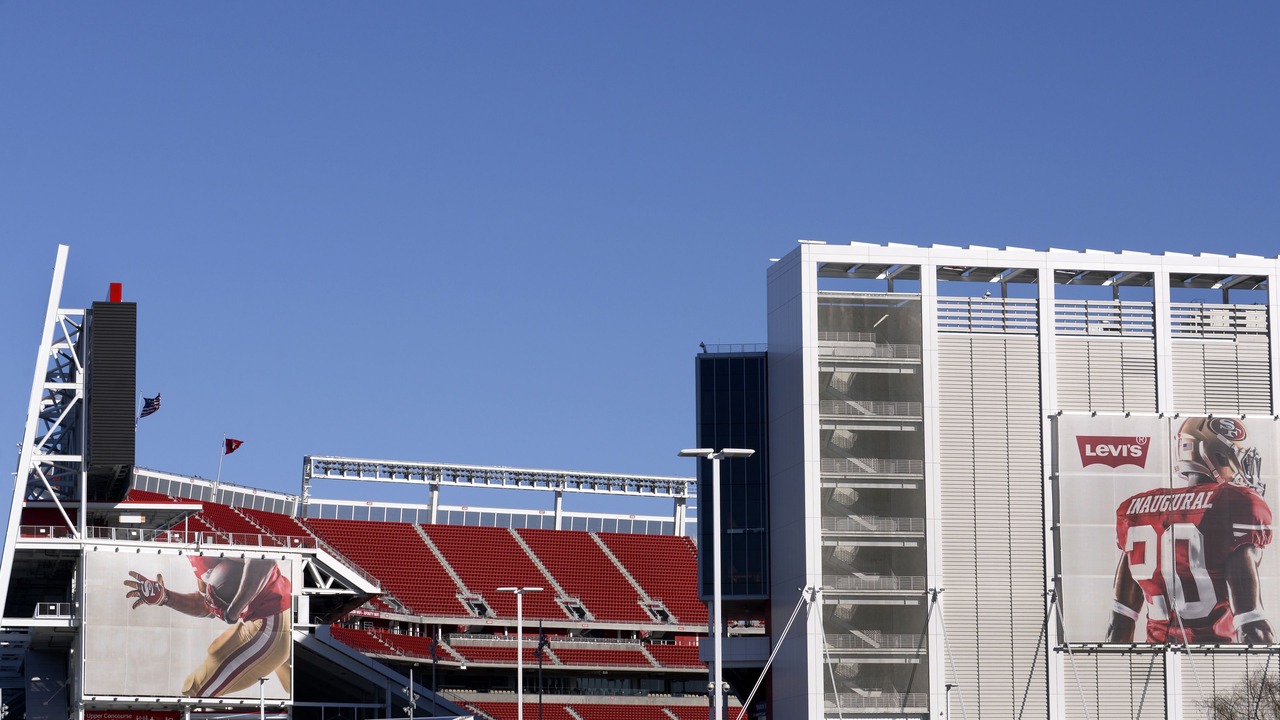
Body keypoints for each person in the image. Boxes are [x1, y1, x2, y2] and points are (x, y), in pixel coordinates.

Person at [1107, 416, 1273, 644]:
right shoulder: (1234, 503)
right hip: (1216, 657)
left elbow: (1119, 623)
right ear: (1219, 456)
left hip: (1159, 659)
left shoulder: (1136, 509)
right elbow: (1251, 623)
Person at [124, 556, 292, 697]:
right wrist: (165, 597)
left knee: (195, 690)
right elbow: (206, 605)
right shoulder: (195, 550)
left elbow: (263, 560)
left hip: (270, 623)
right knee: (298, 690)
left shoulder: (210, 534)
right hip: (257, 619)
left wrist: (233, 611)